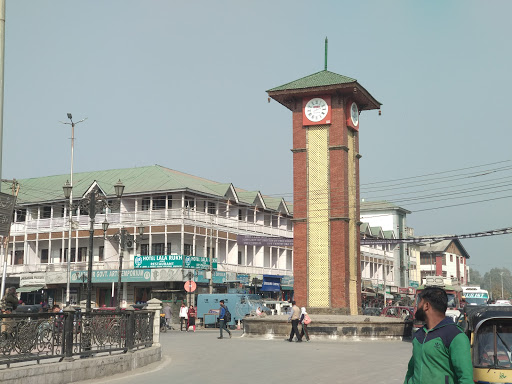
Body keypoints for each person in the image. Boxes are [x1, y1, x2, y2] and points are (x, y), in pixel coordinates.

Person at [404, 287, 473, 384]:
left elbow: (465, 378)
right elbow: (411, 369)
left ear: (426, 306)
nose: (417, 306)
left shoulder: (455, 336)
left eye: (419, 302)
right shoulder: (419, 335)